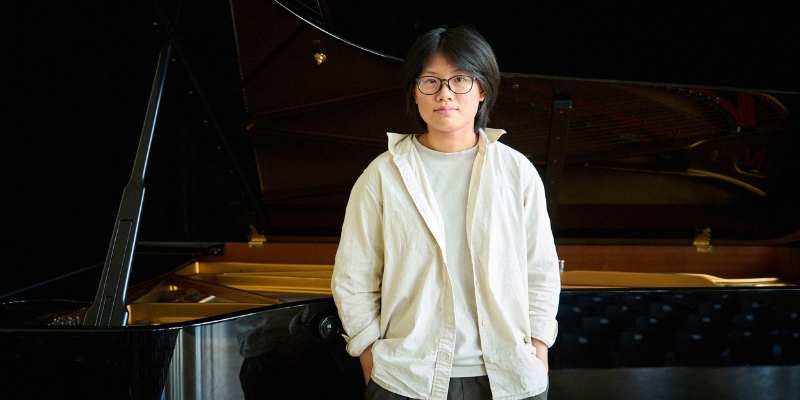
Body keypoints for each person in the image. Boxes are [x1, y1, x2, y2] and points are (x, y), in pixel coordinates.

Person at [331, 25, 560, 400]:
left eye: (460, 80)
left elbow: (541, 270)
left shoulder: (517, 172)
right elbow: (353, 276)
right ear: (414, 93)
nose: (445, 94)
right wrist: (371, 358)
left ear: (483, 90)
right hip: (406, 379)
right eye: (430, 82)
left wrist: (538, 349)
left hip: (510, 377)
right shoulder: (381, 175)